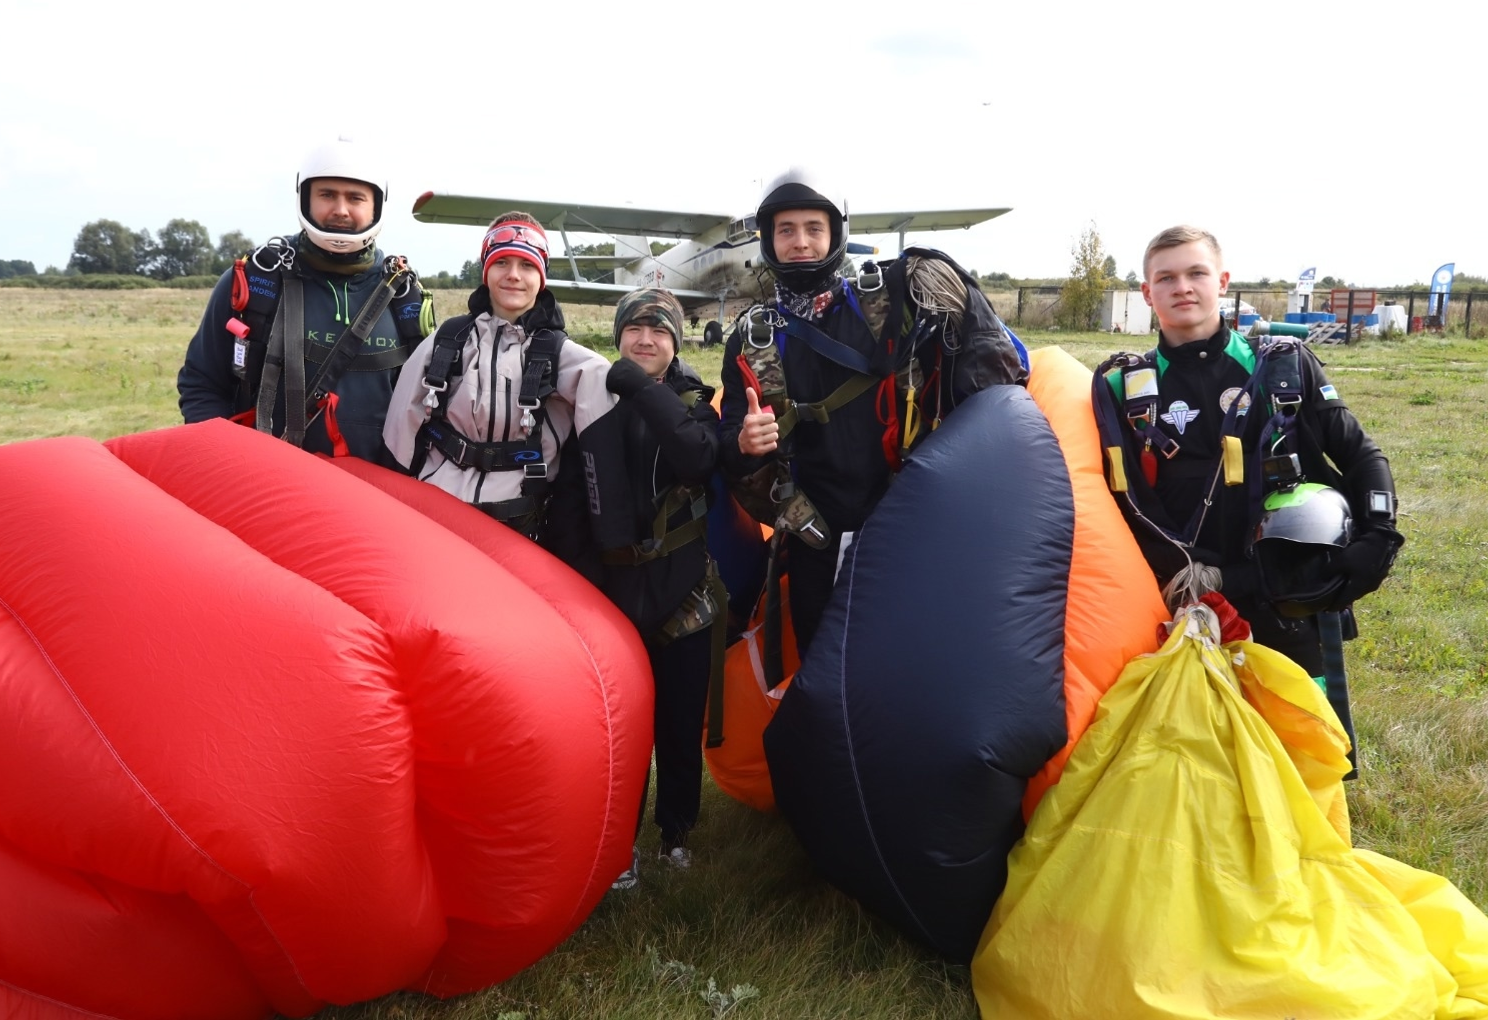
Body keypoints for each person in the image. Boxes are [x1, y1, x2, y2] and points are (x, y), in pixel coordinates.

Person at [718, 170, 1026, 655]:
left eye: (814, 228)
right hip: (814, 535)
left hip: (903, 522)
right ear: (769, 240)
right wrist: (743, 442)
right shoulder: (750, 339)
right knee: (820, 658)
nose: (801, 242)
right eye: (786, 230)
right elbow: (728, 445)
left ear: (836, 233)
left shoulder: (892, 300)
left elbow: (997, 358)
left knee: (905, 659)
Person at [1095, 225, 1404, 680]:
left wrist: (1380, 534)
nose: (1182, 287)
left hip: (1285, 595)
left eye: (1196, 273)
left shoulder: (1283, 367)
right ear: (1147, 292)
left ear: (1222, 282)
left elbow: (1359, 454)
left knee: (1301, 720)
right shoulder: (1121, 389)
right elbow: (1115, 504)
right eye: (1166, 278)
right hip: (1180, 599)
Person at [177, 136, 428, 466]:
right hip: (269, 482)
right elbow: (202, 384)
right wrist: (227, 465)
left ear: (376, 205)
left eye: (355, 198)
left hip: (375, 490)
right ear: (305, 198)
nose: (340, 210)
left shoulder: (405, 295)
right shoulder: (257, 280)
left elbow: (426, 406)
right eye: (327, 195)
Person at [586, 289, 722, 888]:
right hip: (614, 591)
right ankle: (617, 841)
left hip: (683, 591)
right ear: (618, 335)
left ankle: (676, 835)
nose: (646, 339)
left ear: (677, 342)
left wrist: (642, 389)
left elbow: (697, 460)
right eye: (635, 329)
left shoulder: (697, 403)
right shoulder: (590, 399)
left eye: (660, 330)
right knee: (619, 728)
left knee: (679, 721)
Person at [383, 212, 613, 549]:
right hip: (434, 517)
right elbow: (398, 435)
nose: (513, 275)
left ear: (542, 277)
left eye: (527, 265)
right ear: (486, 270)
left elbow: (604, 457)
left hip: (520, 525)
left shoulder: (569, 360)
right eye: (502, 262)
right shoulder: (446, 342)